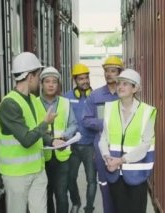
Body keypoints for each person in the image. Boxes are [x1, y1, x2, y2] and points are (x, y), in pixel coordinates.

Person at [0, 52, 65, 213]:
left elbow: (37, 131)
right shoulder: (9, 105)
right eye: (38, 75)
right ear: (30, 77)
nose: (39, 81)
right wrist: (46, 123)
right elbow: (27, 139)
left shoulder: (33, 100)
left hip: (37, 171)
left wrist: (52, 141)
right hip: (17, 175)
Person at [99, 69, 157, 213]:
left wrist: (121, 160)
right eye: (119, 83)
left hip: (137, 175)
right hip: (114, 174)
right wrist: (107, 157)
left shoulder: (147, 111)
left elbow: (145, 144)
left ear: (135, 88)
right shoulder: (109, 108)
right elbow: (103, 138)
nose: (120, 87)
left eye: (125, 84)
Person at [82, 56, 124, 213]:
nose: (109, 74)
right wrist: (106, 124)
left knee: (123, 191)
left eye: (113, 71)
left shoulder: (125, 95)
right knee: (106, 190)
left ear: (120, 73)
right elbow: (86, 120)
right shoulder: (96, 96)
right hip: (102, 151)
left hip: (122, 150)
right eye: (106, 71)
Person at [35, 66, 77, 213]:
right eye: (47, 81)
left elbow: (73, 124)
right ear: (41, 84)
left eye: (54, 81)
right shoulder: (34, 104)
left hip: (62, 157)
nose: (51, 85)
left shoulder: (65, 103)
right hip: (41, 158)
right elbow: (33, 129)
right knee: (45, 195)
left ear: (58, 84)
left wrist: (65, 136)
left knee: (61, 195)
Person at [64, 63, 97, 213]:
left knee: (91, 180)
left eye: (86, 78)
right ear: (75, 81)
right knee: (71, 178)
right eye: (81, 79)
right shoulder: (67, 98)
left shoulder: (95, 97)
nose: (84, 81)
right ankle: (76, 202)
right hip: (73, 146)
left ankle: (89, 207)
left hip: (91, 146)